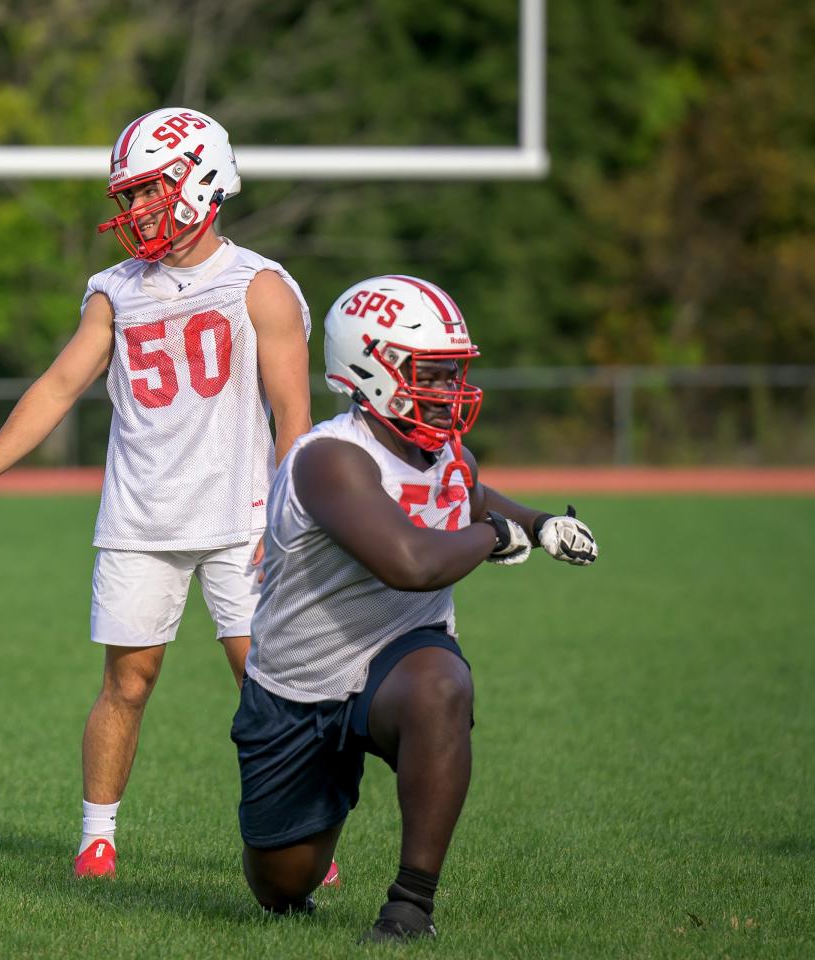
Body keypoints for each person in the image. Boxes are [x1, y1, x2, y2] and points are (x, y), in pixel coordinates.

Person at [0, 107, 312, 878]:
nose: (136, 210)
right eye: (129, 195)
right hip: (140, 517)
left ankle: (301, 836)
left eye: (150, 190)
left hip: (240, 517)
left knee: (266, 688)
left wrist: (286, 516)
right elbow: (58, 386)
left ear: (203, 179)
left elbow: (293, 416)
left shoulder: (259, 285)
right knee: (126, 683)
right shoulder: (116, 290)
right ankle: (96, 838)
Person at [233, 274, 598, 942]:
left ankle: (409, 907)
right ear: (368, 368)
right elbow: (410, 562)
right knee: (282, 884)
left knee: (442, 686)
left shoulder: (447, 451)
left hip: (400, 657)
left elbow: (474, 498)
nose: (449, 390)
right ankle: (309, 834)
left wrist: (540, 524)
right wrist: (492, 539)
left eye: (453, 373)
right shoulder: (330, 459)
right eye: (430, 372)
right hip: (298, 685)